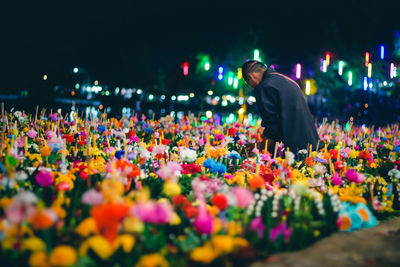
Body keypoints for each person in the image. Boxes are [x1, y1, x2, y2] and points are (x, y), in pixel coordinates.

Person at [242, 60, 319, 153]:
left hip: (291, 151)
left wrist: (257, 149)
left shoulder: (265, 86)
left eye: (248, 83)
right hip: (310, 145)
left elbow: (273, 128)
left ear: (250, 77)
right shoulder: (288, 80)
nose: (252, 87)